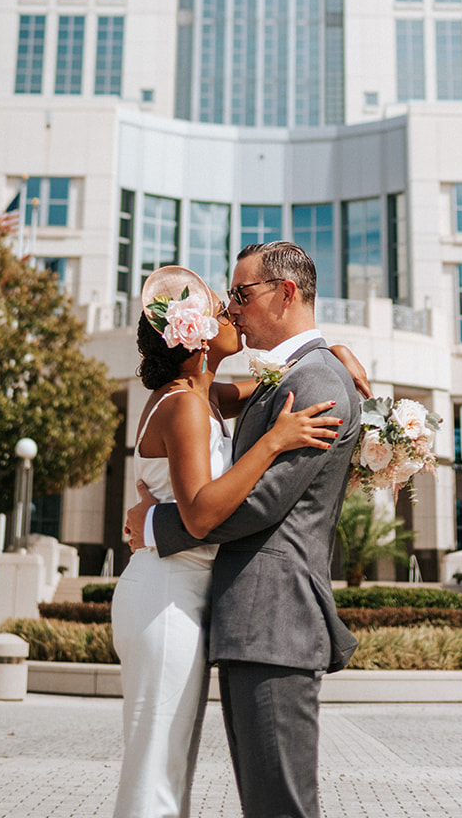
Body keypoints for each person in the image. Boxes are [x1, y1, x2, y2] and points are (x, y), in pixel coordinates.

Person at [124, 242, 362, 818]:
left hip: (269, 618)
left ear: (285, 293)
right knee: (169, 769)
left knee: (269, 801)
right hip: (200, 606)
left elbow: (256, 506)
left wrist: (156, 523)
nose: (231, 309)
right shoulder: (200, 396)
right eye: (222, 301)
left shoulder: (303, 382)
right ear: (195, 336)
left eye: (240, 294)